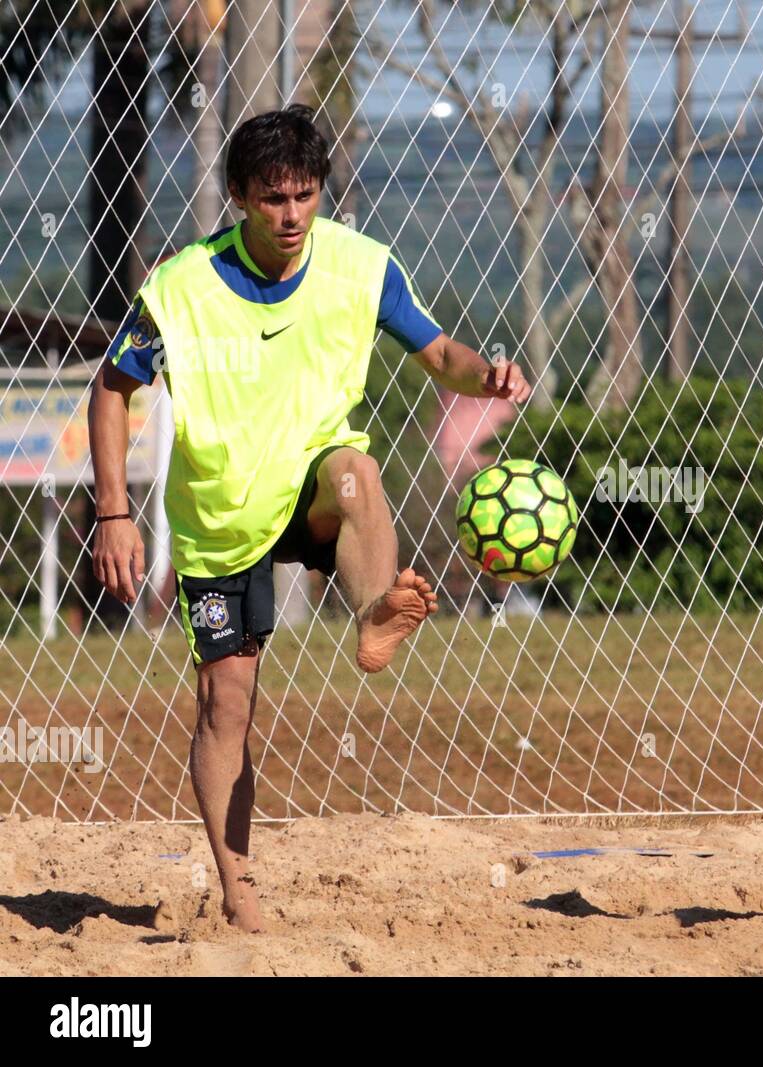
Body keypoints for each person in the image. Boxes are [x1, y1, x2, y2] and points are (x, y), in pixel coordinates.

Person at [88, 104, 531, 932]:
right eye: (273, 198)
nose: (292, 215)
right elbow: (111, 387)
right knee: (227, 702)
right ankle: (239, 889)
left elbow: (438, 352)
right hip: (222, 515)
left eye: (306, 195)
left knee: (357, 469)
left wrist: (488, 376)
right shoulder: (179, 288)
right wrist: (114, 510)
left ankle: (373, 614)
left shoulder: (361, 267)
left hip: (314, 486)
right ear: (238, 197)